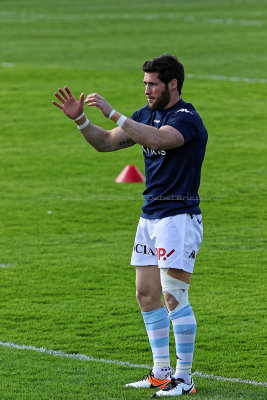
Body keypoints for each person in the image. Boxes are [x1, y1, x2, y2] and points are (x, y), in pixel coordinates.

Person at [52, 54, 208, 397]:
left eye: (152, 84)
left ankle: (184, 378)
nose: (147, 90)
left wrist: (112, 112)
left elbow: (158, 140)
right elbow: (106, 142)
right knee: (147, 294)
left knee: (173, 296)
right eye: (145, 84)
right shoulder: (144, 116)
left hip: (178, 217)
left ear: (173, 84)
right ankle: (160, 372)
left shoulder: (186, 118)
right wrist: (80, 121)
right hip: (150, 217)